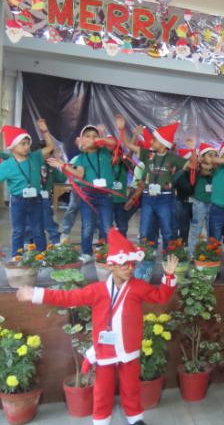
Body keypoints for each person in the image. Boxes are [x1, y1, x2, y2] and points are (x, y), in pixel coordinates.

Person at [16, 228, 179, 425]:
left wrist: (169, 277)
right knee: (103, 390)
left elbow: (160, 297)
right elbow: (68, 297)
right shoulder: (98, 290)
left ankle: (135, 418)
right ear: (111, 266)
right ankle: (101, 420)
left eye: (132, 264)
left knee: (131, 387)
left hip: (128, 348)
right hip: (105, 349)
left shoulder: (138, 286)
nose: (130, 268)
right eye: (124, 264)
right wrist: (36, 294)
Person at [49, 125, 117, 261]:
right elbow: (79, 174)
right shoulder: (81, 158)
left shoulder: (104, 152)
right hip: (87, 195)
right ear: (82, 140)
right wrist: (63, 165)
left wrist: (101, 139)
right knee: (87, 226)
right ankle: (86, 253)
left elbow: (113, 144)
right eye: (88, 136)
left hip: (105, 195)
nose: (92, 138)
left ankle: (109, 252)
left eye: (95, 136)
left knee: (107, 226)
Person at [122, 119, 190, 250]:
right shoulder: (147, 155)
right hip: (148, 197)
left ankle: (168, 254)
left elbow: (192, 166)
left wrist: (192, 151)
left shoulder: (172, 158)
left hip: (165, 198)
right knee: (144, 229)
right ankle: (146, 254)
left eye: (154, 140)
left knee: (167, 230)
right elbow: (127, 145)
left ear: (164, 144)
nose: (151, 142)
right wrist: (122, 129)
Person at [0, 121, 54, 258]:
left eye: (28, 143)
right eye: (22, 144)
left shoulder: (35, 157)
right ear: (12, 147)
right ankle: (16, 256)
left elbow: (50, 147)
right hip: (17, 201)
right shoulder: (7, 165)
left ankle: (42, 256)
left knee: (38, 229)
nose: (27, 146)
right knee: (18, 231)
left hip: (36, 200)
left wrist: (45, 131)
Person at [187, 143, 217, 253]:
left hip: (213, 203)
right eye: (210, 155)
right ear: (202, 157)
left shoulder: (216, 169)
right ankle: (191, 253)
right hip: (199, 203)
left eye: (215, 155)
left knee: (211, 229)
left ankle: (210, 254)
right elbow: (203, 170)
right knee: (196, 228)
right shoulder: (197, 168)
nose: (213, 158)